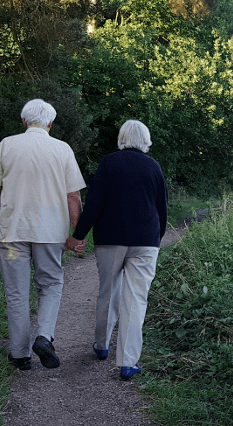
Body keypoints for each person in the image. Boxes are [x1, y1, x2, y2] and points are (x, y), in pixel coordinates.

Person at [0, 98, 87, 371]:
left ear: (24, 121)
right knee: (50, 285)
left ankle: (20, 354)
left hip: (12, 232)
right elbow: (73, 196)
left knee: (16, 292)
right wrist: (77, 233)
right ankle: (44, 337)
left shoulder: (6, 145)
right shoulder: (62, 149)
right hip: (51, 233)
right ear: (50, 123)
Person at [66, 119, 167, 381]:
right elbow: (162, 209)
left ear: (122, 137)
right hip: (146, 241)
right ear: (146, 140)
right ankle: (128, 362)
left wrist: (78, 236)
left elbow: (94, 203)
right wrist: (156, 238)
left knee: (108, 292)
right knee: (136, 301)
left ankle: (101, 346)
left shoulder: (109, 163)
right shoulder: (154, 167)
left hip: (110, 239)